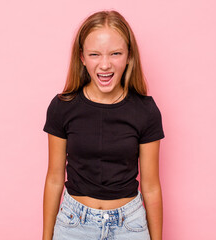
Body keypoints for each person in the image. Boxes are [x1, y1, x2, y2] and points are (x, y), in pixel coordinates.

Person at [42, 10, 165, 240]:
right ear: (82, 57)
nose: (105, 64)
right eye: (95, 54)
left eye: (115, 53)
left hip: (130, 226)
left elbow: (151, 187)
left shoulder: (146, 111)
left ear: (129, 56)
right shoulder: (62, 107)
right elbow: (54, 178)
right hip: (73, 225)